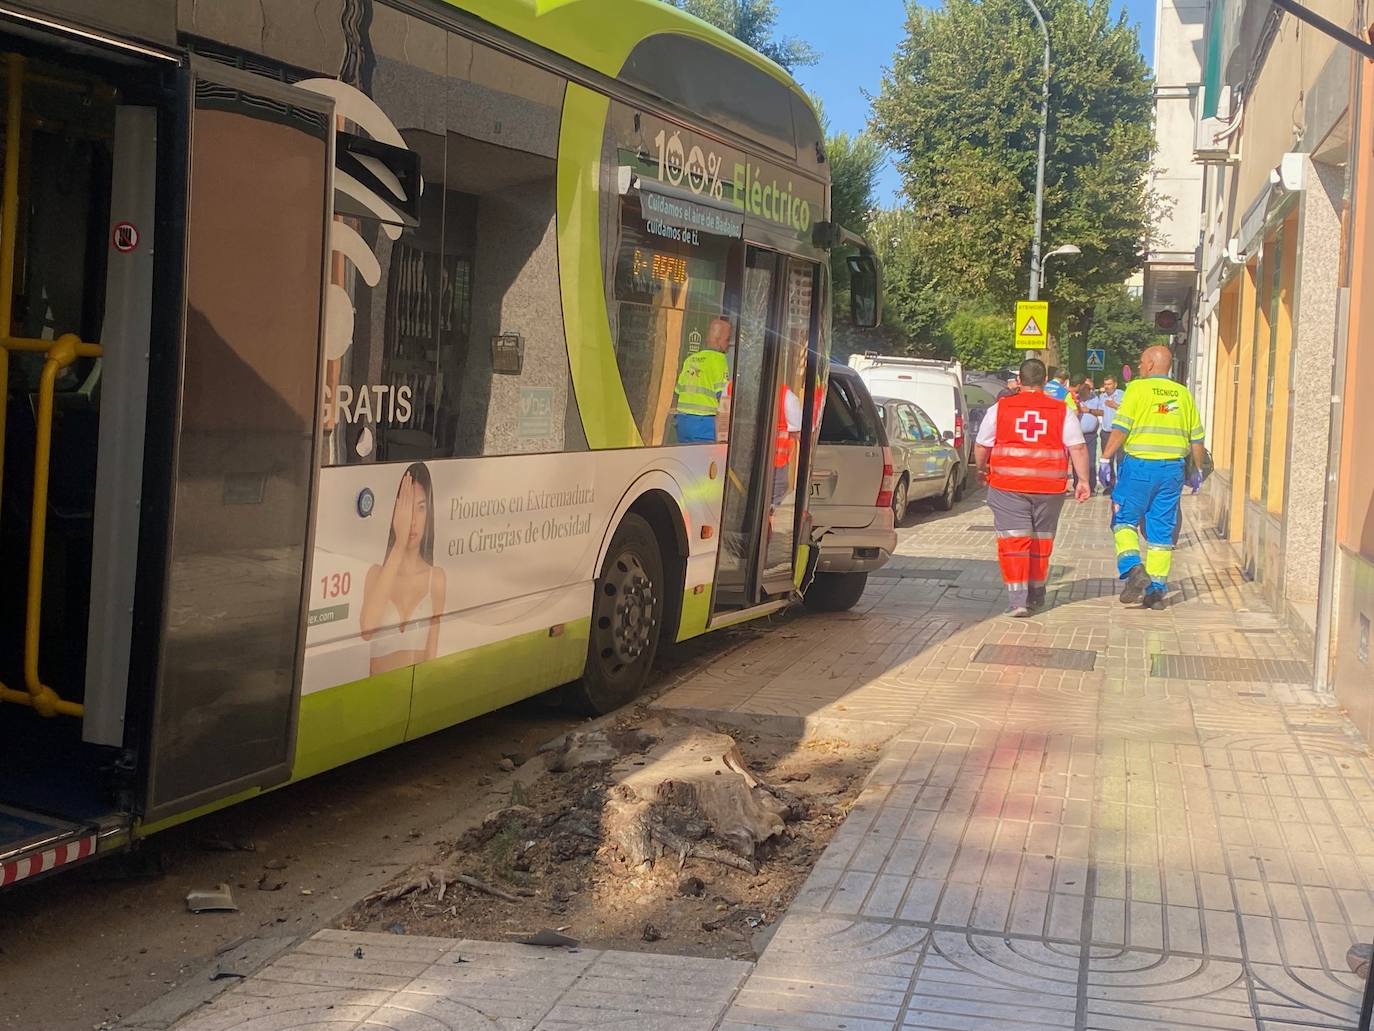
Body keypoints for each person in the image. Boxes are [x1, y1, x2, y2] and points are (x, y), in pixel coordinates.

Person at [974, 358, 1092, 617]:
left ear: (1018, 382)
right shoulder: (1061, 410)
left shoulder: (1000, 408)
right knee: (1041, 540)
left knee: (1014, 540)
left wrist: (981, 469)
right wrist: (1083, 480)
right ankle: (1036, 593)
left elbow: (983, 444)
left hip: (1008, 486)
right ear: (1044, 382)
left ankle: (1018, 600)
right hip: (1049, 488)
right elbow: (1078, 447)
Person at [1100, 345, 1206, 610]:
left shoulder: (1137, 389)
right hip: (1172, 471)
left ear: (1148, 364)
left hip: (1139, 467)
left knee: (1123, 520)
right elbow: (1197, 437)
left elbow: (1121, 428)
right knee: (1161, 531)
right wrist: (1197, 469)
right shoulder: (1183, 394)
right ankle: (1156, 592)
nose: (1138, 367)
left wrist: (1104, 458)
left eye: (1139, 362)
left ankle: (1133, 568)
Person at [360, 463, 447, 674]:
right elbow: (367, 631)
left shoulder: (436, 578)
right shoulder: (376, 574)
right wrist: (399, 544)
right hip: (377, 696)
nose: (413, 521)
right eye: (406, 508)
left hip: (417, 695)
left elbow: (431, 655)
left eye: (421, 507)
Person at [673, 317, 733, 443]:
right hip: (704, 424)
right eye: (727, 340)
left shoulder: (690, 359)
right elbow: (723, 398)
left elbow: (678, 392)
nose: (728, 344)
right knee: (705, 461)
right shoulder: (719, 360)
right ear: (718, 340)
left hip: (682, 423)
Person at [1098, 375, 1125, 480]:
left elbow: (1128, 411)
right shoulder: (1102, 396)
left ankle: (1121, 482)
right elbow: (1101, 412)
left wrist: (1115, 406)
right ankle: (1110, 484)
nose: (1107, 387)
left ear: (1115, 384)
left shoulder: (1122, 395)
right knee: (1107, 459)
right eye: (1105, 384)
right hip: (1106, 432)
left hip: (1119, 432)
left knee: (1120, 459)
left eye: (1109, 384)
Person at [1075, 382, 1100, 493]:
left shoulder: (1095, 400)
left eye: (1088, 389)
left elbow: (1102, 412)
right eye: (1084, 389)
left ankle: (1091, 485)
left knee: (1090, 461)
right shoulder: (1075, 400)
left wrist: (1089, 410)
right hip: (1077, 435)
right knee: (1077, 460)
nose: (1086, 391)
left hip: (1091, 435)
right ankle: (1077, 485)